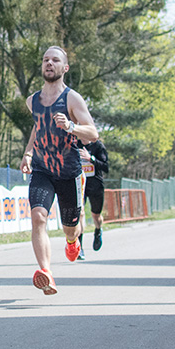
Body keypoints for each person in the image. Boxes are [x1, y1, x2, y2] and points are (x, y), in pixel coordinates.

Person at [20, 46, 98, 295]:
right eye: (45, 60)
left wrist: (71, 126)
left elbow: (93, 133)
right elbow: (38, 127)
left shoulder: (72, 99)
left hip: (68, 172)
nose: (49, 63)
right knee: (38, 217)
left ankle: (72, 241)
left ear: (65, 68)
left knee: (70, 227)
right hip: (42, 169)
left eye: (55, 60)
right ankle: (46, 273)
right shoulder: (32, 101)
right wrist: (28, 153)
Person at [76, 138, 109, 259]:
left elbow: (106, 167)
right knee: (80, 213)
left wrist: (90, 158)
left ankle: (98, 230)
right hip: (80, 184)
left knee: (96, 215)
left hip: (95, 185)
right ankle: (79, 247)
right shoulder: (75, 145)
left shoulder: (98, 146)